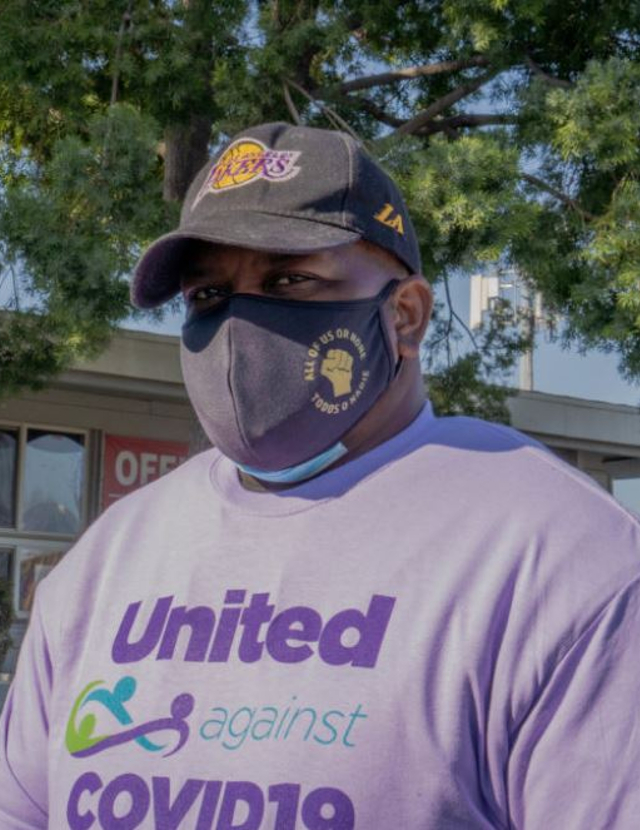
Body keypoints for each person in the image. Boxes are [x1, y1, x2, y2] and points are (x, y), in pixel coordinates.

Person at [1, 121, 640, 830]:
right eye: (207, 296)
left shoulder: (559, 556)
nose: (239, 329)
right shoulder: (110, 556)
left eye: (291, 279)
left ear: (405, 315)